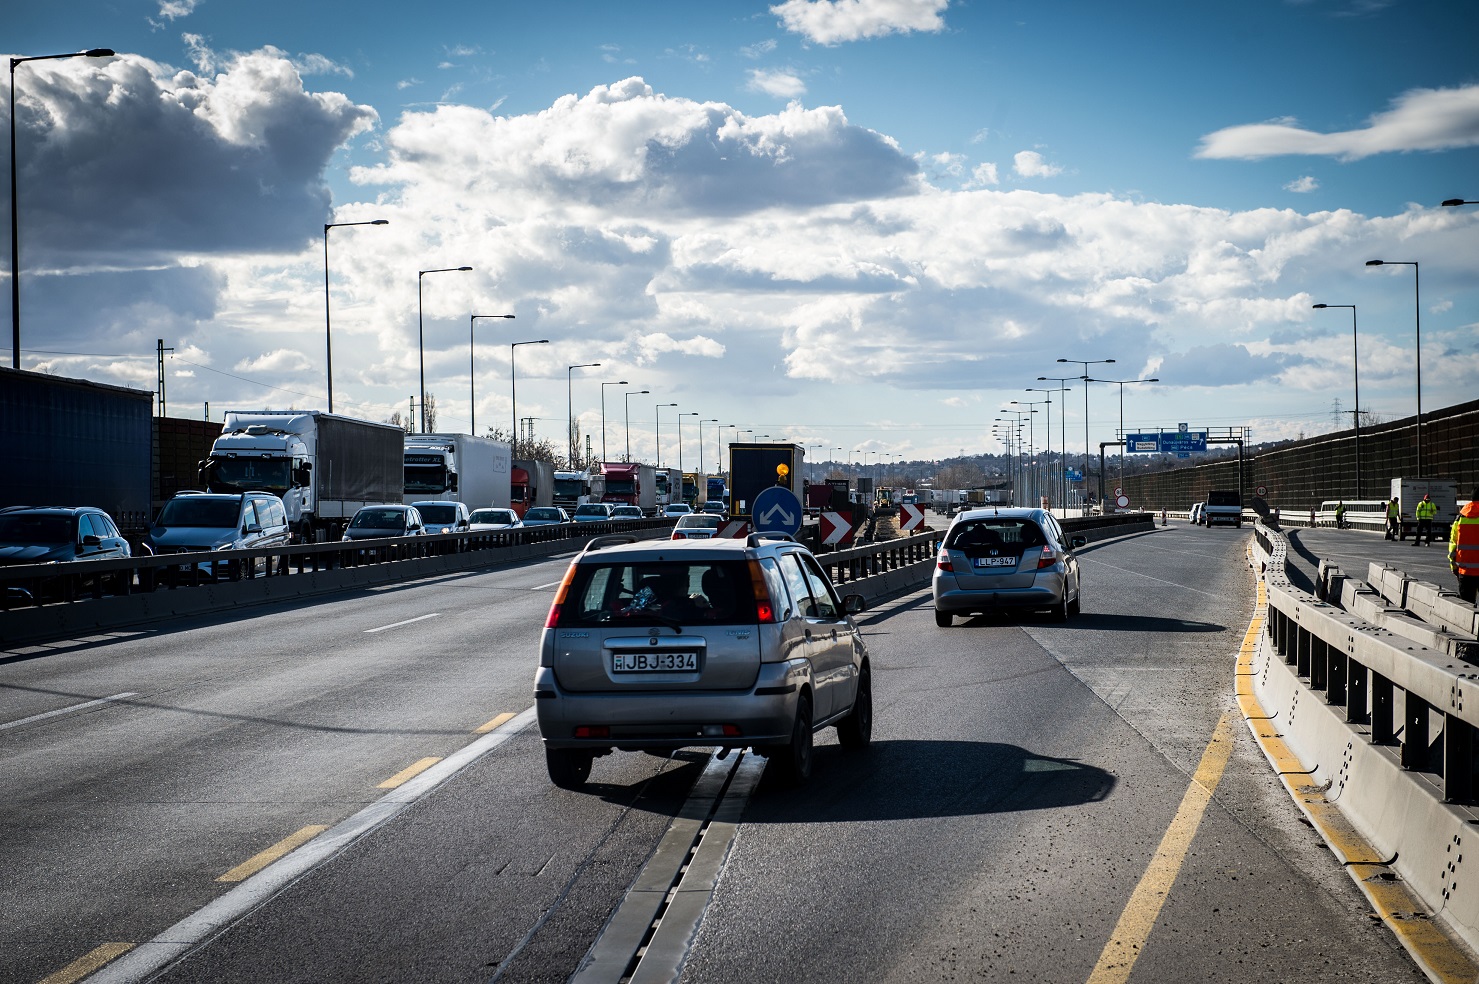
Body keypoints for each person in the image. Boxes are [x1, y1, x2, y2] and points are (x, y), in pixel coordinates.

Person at [1451, 488, 1479, 604]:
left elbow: (1453, 545)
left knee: (1467, 606)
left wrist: (1454, 566)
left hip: (1465, 571)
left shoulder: (1461, 517)